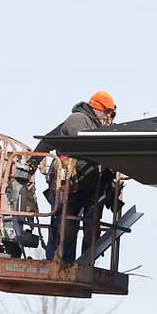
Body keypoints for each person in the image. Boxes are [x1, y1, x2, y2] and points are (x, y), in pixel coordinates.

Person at [33, 91, 117, 263]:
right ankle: (59, 261)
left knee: (89, 225)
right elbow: (50, 141)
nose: (110, 116)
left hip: (89, 184)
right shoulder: (78, 120)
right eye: (108, 112)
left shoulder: (94, 124)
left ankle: (85, 262)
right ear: (98, 107)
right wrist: (32, 162)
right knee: (65, 222)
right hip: (70, 183)